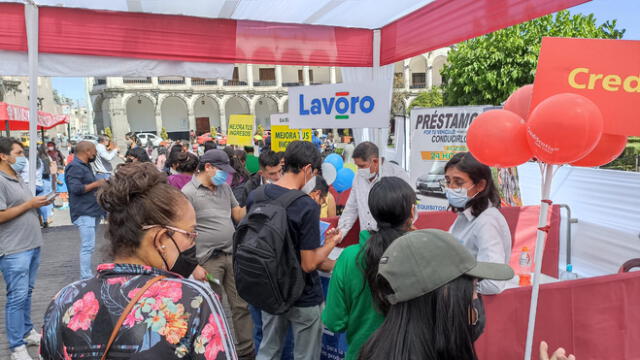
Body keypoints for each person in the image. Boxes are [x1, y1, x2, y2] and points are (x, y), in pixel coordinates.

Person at [40, 162, 237, 359]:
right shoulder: (194, 299)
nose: (192, 242)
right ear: (160, 239)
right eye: (189, 234)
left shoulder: (64, 299)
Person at [246, 141, 342, 360]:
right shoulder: (305, 206)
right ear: (308, 169)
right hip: (302, 294)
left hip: (269, 287)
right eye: (315, 173)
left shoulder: (257, 196)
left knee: (268, 349)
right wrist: (330, 244)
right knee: (305, 354)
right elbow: (308, 264)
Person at [323, 177, 416, 360]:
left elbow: (334, 322)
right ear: (411, 212)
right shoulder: (421, 255)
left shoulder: (350, 257)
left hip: (362, 353)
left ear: (373, 212)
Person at [182, 149, 255, 359]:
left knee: (241, 304)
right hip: (207, 260)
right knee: (210, 307)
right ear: (208, 167)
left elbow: (238, 215)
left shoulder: (224, 188)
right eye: (221, 170)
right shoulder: (189, 192)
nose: (225, 175)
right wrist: (192, 265)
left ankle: (245, 350)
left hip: (231, 255)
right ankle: (211, 351)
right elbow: (184, 233)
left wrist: (254, 199)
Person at [0, 137, 50, 360]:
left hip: (31, 244)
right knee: (17, 297)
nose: (22, 157)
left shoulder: (16, 176)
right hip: (14, 248)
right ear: (3, 156)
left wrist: (37, 204)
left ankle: (27, 331)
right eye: (18, 153)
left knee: (26, 293)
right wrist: (29, 204)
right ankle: (16, 347)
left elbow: (22, 205)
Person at [444, 152, 512, 295]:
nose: (450, 188)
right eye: (448, 181)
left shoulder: (487, 222)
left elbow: (493, 282)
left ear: (480, 185)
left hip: (472, 305)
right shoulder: (466, 215)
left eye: (458, 182)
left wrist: (458, 289)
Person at [338, 141, 410, 237]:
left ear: (375, 161)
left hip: (392, 239)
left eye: (362, 166)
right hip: (367, 240)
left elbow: (409, 211)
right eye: (357, 166)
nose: (359, 170)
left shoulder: (398, 175)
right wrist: (340, 232)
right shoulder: (358, 177)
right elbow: (351, 208)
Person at [65, 141, 106, 280]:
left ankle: (87, 275)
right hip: (84, 212)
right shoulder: (74, 167)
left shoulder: (85, 165)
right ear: (87, 151)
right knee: (87, 246)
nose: (95, 154)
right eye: (94, 151)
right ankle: (86, 277)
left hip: (91, 210)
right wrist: (97, 183)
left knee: (89, 246)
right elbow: (75, 188)